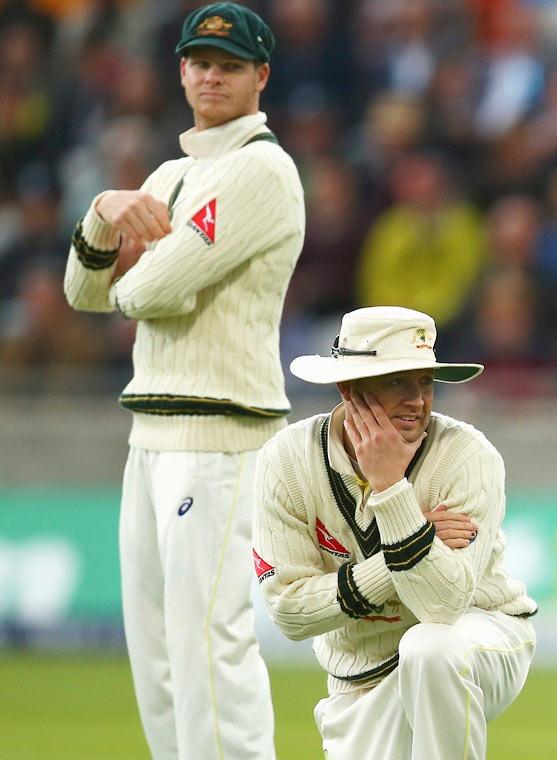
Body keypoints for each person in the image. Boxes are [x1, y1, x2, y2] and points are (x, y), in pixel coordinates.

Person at [63, 4, 305, 759]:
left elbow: (145, 293)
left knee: (209, 643)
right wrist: (105, 214)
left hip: (222, 434)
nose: (211, 76)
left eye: (229, 66)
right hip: (153, 434)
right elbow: (84, 293)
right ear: (180, 70)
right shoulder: (170, 174)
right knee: (159, 654)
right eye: (199, 62)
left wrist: (140, 273)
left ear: (260, 77)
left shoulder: (263, 169)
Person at [253, 306, 537, 760]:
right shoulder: (285, 461)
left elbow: (443, 605)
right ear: (349, 389)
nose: (417, 400)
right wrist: (401, 555)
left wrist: (390, 488)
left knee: (430, 649)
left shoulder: (467, 455)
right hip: (360, 674)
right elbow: (289, 612)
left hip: (481, 633)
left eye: (425, 381)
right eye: (397, 381)